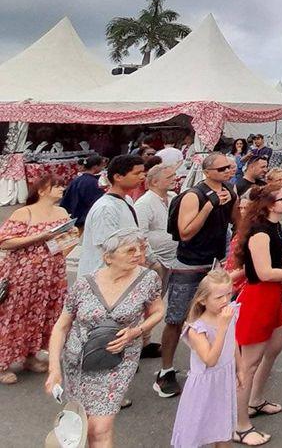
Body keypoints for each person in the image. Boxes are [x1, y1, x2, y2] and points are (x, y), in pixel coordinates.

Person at [45, 229, 164, 448]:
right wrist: (54, 369)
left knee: (100, 428)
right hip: (78, 363)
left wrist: (136, 331)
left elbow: (158, 311)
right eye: (130, 250)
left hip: (117, 361)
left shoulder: (148, 279)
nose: (137, 254)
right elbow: (61, 326)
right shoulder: (84, 285)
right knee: (83, 425)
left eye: (140, 248)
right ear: (108, 257)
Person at [157, 152, 237, 399]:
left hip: (215, 264)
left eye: (230, 167)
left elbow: (237, 222)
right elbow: (185, 232)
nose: (228, 171)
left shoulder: (231, 191)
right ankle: (165, 371)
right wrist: (210, 206)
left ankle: (210, 363)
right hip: (188, 264)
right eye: (222, 168)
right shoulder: (195, 195)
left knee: (215, 314)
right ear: (208, 171)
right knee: (176, 317)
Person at [232, 184, 282, 445]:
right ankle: (240, 425)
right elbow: (263, 272)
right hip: (260, 298)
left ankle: (255, 400)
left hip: (273, 297)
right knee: (248, 365)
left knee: (274, 347)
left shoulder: (272, 228)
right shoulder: (260, 233)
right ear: (270, 205)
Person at [0, 176, 76, 385]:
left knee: (40, 315)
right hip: (21, 276)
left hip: (51, 276)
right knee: (14, 316)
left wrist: (67, 242)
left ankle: (30, 356)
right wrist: (40, 237)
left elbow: (66, 242)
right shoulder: (25, 212)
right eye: (57, 186)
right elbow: (5, 241)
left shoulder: (61, 212)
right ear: (42, 190)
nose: (62, 189)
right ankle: (2, 363)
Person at [170, 269, 241, 448]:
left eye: (228, 294)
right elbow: (210, 360)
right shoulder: (197, 328)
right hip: (204, 386)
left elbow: (233, 341)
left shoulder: (229, 312)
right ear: (203, 300)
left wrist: (240, 368)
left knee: (223, 432)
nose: (225, 301)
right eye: (218, 297)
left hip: (223, 380)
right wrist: (223, 327)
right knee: (196, 433)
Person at [77, 155, 146, 277]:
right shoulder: (106, 208)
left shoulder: (127, 200)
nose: (142, 177)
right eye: (137, 173)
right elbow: (108, 247)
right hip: (102, 276)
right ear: (118, 177)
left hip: (121, 272)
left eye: (143, 172)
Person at [136, 164, 179, 284]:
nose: (174, 179)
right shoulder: (144, 203)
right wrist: (153, 261)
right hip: (155, 262)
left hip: (174, 259)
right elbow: (140, 235)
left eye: (174, 175)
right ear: (155, 182)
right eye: (169, 177)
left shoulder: (173, 197)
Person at [60, 155, 105, 229]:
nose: (102, 168)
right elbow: (96, 201)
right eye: (101, 166)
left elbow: (67, 197)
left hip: (75, 215)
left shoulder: (76, 180)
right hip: (86, 218)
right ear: (95, 167)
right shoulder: (93, 182)